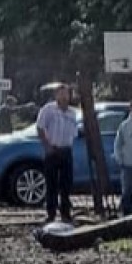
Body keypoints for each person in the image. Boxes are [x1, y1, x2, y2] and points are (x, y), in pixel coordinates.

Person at [36, 83, 78, 223]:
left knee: (66, 184)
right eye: (61, 94)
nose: (64, 97)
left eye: (67, 94)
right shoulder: (48, 110)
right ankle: (51, 213)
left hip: (66, 150)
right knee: (51, 184)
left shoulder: (73, 113)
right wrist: (47, 146)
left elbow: (75, 132)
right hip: (53, 150)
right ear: (56, 95)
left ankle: (65, 213)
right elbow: (40, 128)